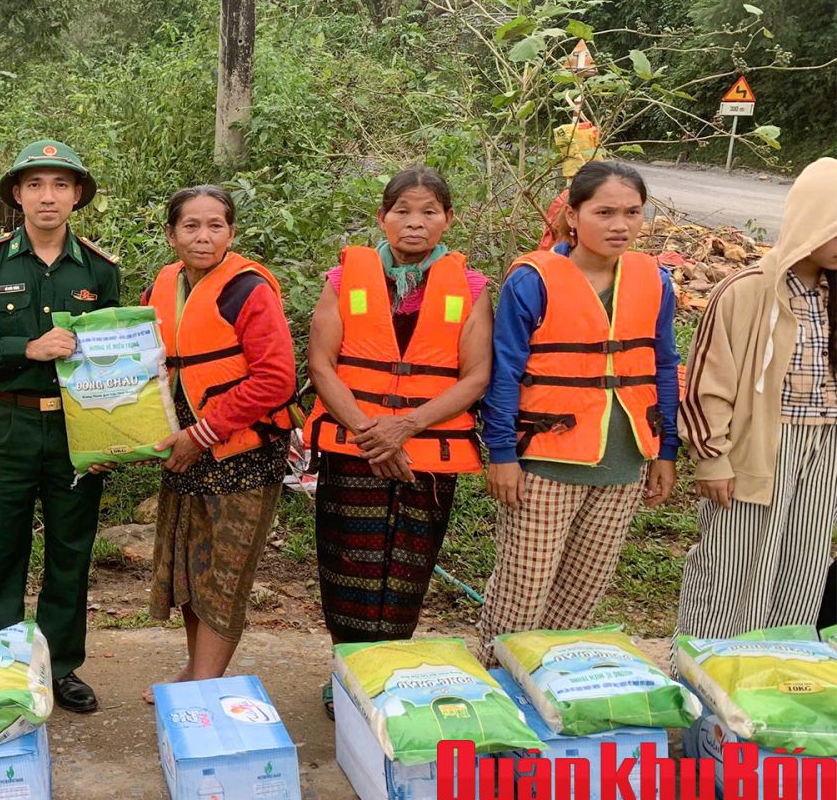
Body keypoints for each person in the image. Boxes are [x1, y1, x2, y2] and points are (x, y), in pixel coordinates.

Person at [304, 167, 492, 717]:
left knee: (408, 564)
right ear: (382, 218)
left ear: (448, 219)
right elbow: (322, 362)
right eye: (403, 211)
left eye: (429, 211)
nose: (415, 222)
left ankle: (386, 671)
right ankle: (346, 670)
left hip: (426, 453)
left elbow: (476, 376)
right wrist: (372, 434)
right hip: (356, 448)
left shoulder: (473, 287)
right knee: (347, 561)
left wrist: (403, 428)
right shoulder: (343, 280)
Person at [0, 139, 120, 714]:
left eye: (61, 185)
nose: (49, 196)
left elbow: (114, 359)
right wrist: (28, 347)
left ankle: (62, 666)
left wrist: (114, 435)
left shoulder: (99, 269)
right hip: (9, 424)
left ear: (77, 197)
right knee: (1, 550)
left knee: (71, 549)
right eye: (37, 184)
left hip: (74, 431)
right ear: (17, 194)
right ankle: (5, 665)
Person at [479, 161, 680, 664]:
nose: (621, 225)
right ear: (573, 215)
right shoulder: (533, 280)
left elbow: (664, 364)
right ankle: (496, 692)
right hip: (545, 460)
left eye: (633, 212)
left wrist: (666, 451)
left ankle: (552, 695)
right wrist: (501, 452)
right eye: (605, 211)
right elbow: (504, 372)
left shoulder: (653, 279)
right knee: (521, 593)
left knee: (580, 596)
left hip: (623, 460)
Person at [141, 185, 296, 703]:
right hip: (182, 451)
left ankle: (205, 688)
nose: (203, 236)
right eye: (191, 226)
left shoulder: (247, 290)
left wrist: (202, 434)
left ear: (231, 232)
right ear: (171, 234)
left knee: (223, 573)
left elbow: (276, 379)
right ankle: (194, 671)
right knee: (189, 565)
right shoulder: (161, 287)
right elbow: (139, 363)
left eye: (215, 226)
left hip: (239, 454)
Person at [678, 158, 837, 638]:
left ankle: (773, 679)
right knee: (730, 570)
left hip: (824, 446)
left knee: (801, 568)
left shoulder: (832, 292)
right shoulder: (746, 291)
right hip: (757, 448)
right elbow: (708, 384)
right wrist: (712, 459)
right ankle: (703, 682)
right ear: (812, 222)